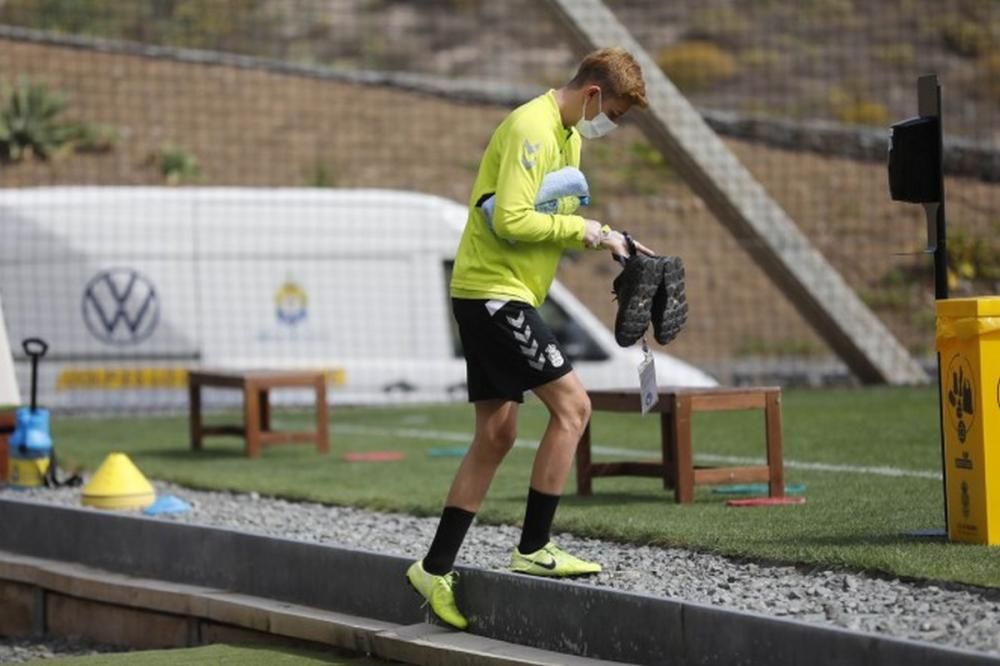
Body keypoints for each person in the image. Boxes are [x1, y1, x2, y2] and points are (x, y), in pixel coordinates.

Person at [406, 47, 652, 630]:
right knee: (574, 407)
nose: (610, 126)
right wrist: (588, 231)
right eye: (613, 113)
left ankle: (433, 568)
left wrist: (613, 238)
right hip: (496, 294)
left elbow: (542, 222)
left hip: (496, 291)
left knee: (496, 435)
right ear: (593, 94)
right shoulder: (534, 130)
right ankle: (535, 547)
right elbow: (514, 218)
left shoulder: (570, 137)